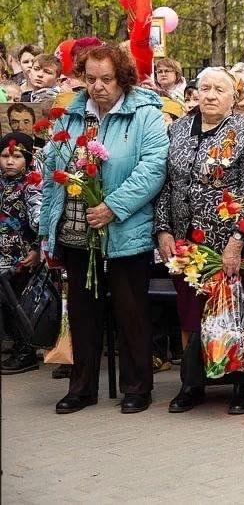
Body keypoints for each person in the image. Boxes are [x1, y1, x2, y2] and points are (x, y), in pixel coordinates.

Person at [39, 44, 169, 414]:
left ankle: (137, 386)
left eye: (106, 79)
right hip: (77, 230)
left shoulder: (144, 113)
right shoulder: (71, 115)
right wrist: (48, 229)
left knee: (131, 311)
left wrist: (113, 206)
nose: (97, 87)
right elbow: (53, 172)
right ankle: (81, 387)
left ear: (123, 78)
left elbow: (153, 169)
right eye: (91, 78)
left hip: (124, 229)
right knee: (82, 313)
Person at [155, 68, 244, 415]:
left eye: (220, 89)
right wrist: (163, 230)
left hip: (227, 242)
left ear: (234, 96)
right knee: (191, 313)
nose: (211, 95)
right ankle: (193, 383)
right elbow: (166, 185)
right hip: (185, 243)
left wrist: (237, 241)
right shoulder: (176, 130)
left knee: (237, 312)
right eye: (205, 88)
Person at [0, 132, 42, 375]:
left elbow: (39, 220)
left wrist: (37, 249)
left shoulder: (32, 183)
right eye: (5, 156)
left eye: (16, 156)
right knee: (5, 303)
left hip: (23, 256)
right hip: (1, 255)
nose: (10, 161)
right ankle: (16, 345)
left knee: (20, 305)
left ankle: (27, 351)